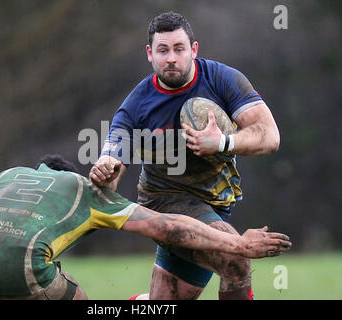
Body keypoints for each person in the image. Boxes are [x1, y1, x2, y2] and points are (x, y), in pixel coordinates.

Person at [0, 154, 291, 300]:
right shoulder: (89, 192)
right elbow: (168, 227)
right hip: (24, 267)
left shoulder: (6, 174)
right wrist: (240, 245)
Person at [90, 12, 281, 300]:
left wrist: (222, 142)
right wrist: (106, 171)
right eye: (162, 50)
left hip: (212, 203)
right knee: (235, 261)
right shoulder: (136, 104)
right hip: (165, 201)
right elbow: (110, 159)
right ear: (149, 54)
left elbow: (269, 136)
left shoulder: (223, 80)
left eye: (179, 49)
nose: (171, 58)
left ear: (193, 49)